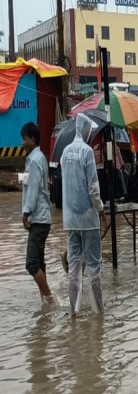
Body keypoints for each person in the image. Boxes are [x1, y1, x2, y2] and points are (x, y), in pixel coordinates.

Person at [61, 113, 107, 316]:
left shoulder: (65, 152)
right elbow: (93, 188)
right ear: (86, 130)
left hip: (70, 220)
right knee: (94, 268)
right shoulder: (87, 152)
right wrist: (101, 210)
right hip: (88, 219)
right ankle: (99, 312)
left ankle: (73, 312)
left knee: (74, 267)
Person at [20, 122, 55, 306]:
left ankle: (50, 300)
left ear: (32, 140)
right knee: (39, 262)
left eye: (24, 139)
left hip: (38, 218)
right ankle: (45, 303)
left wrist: (25, 214)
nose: (22, 143)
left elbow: (33, 190)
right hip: (42, 217)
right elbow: (30, 182)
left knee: (31, 264)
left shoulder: (34, 160)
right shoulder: (37, 158)